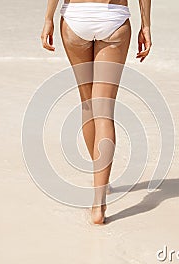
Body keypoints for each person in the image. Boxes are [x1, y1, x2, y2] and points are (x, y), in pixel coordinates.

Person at [41, 0, 152, 224]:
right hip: (114, 18)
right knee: (104, 110)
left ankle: (98, 178)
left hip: (75, 18)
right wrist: (146, 25)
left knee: (88, 103)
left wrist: (48, 19)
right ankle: (98, 203)